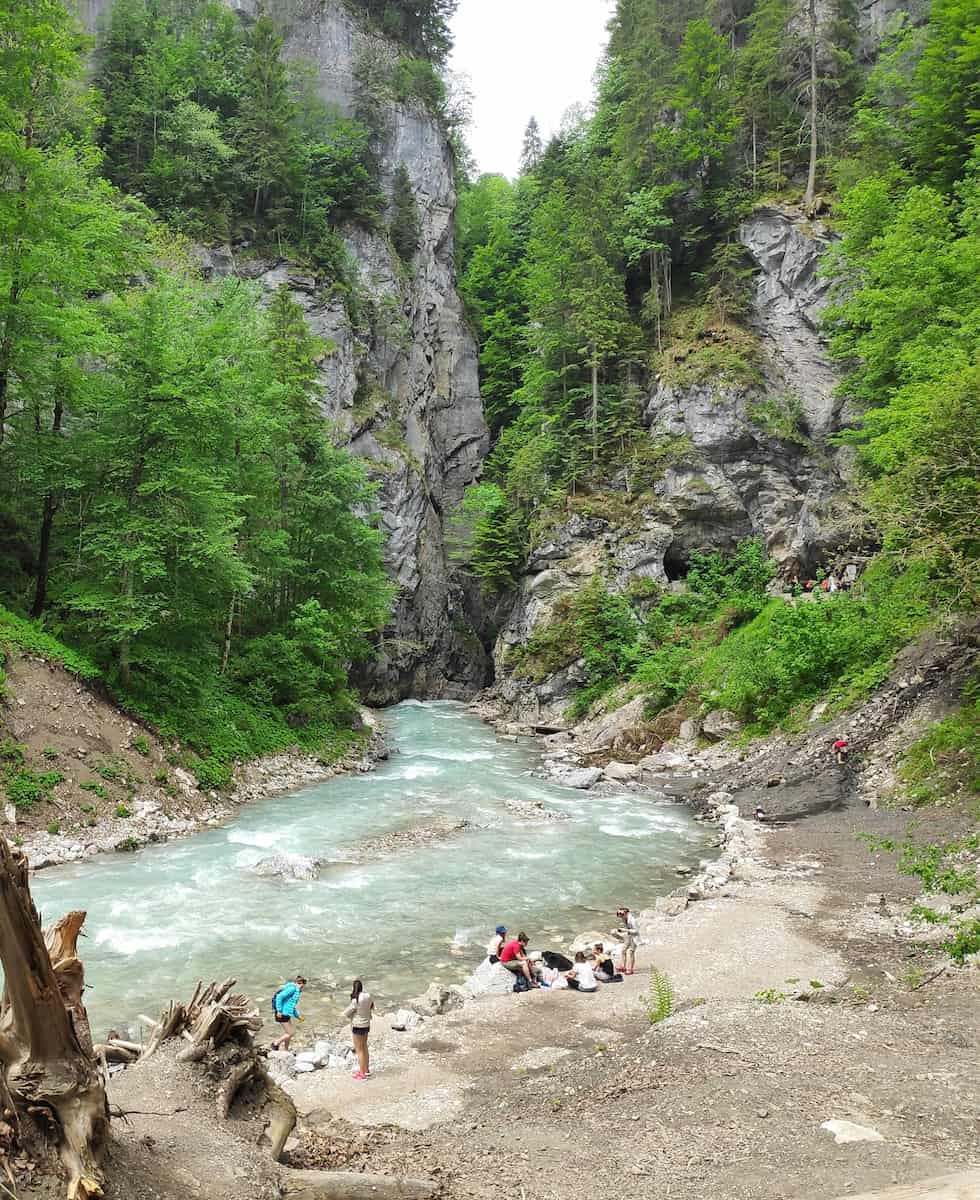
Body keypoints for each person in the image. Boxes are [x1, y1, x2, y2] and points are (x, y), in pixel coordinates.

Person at [343, 978, 375, 1081]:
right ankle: (366, 1070)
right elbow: (371, 1007)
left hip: (357, 1026)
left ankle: (362, 1073)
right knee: (365, 1047)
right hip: (366, 1025)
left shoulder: (355, 1000)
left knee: (359, 1050)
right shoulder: (368, 996)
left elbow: (347, 1013)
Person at [271, 975, 306, 1051]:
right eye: (302, 986)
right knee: (290, 1033)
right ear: (299, 983)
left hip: (286, 1014)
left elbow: (292, 1007)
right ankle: (275, 1044)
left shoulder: (296, 991)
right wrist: (279, 1010)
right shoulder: (292, 988)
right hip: (281, 1014)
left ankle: (286, 1050)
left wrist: (298, 1016)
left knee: (289, 1033)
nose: (302, 988)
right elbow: (279, 997)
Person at [616, 906, 639, 975]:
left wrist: (625, 930)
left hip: (634, 937)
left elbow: (636, 931)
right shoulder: (624, 918)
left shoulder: (632, 920)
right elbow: (628, 928)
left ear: (626, 913)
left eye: (621, 914)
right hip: (629, 936)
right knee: (623, 950)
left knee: (631, 953)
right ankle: (623, 966)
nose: (620, 916)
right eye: (618, 914)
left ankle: (631, 969)